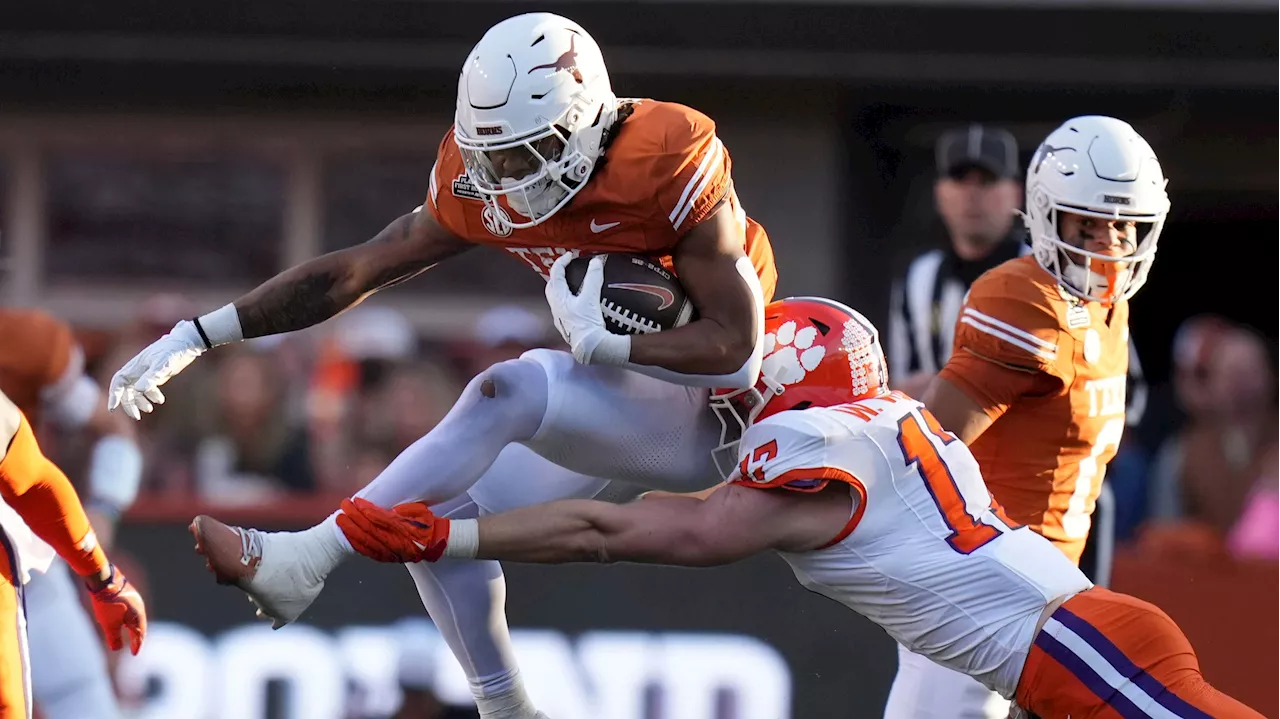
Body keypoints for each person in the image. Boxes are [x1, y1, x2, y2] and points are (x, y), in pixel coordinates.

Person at [110, 12, 775, 719]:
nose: (509, 178)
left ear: (583, 123)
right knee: (431, 514)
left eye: (527, 154)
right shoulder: (481, 173)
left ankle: (308, 556)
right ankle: (507, 707)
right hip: (617, 395)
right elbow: (358, 269)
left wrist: (610, 344)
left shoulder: (666, 153)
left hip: (717, 411)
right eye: (497, 158)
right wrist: (200, 333)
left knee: (507, 386)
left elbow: (737, 350)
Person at [318, 297, 1262, 719]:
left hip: (1076, 651)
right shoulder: (886, 418)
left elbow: (651, 529)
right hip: (1069, 652)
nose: (729, 414)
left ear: (795, 385)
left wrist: (457, 529)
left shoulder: (820, 444)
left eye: (744, 392)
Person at [887, 115, 1170, 718]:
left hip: (1052, 583)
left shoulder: (1105, 309)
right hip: (986, 591)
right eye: (1088, 225)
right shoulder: (1024, 297)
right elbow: (928, 450)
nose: (1108, 243)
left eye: (1123, 225)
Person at [0, 308, 145, 719]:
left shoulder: (26, 345)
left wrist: (101, 519)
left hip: (19, 559)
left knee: (80, 697)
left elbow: (35, 481)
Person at [887, 123, 1025, 399]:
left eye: (987, 180)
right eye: (960, 179)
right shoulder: (918, 278)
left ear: (1016, 193)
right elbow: (899, 385)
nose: (972, 195)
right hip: (937, 438)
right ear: (940, 193)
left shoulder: (1049, 274)